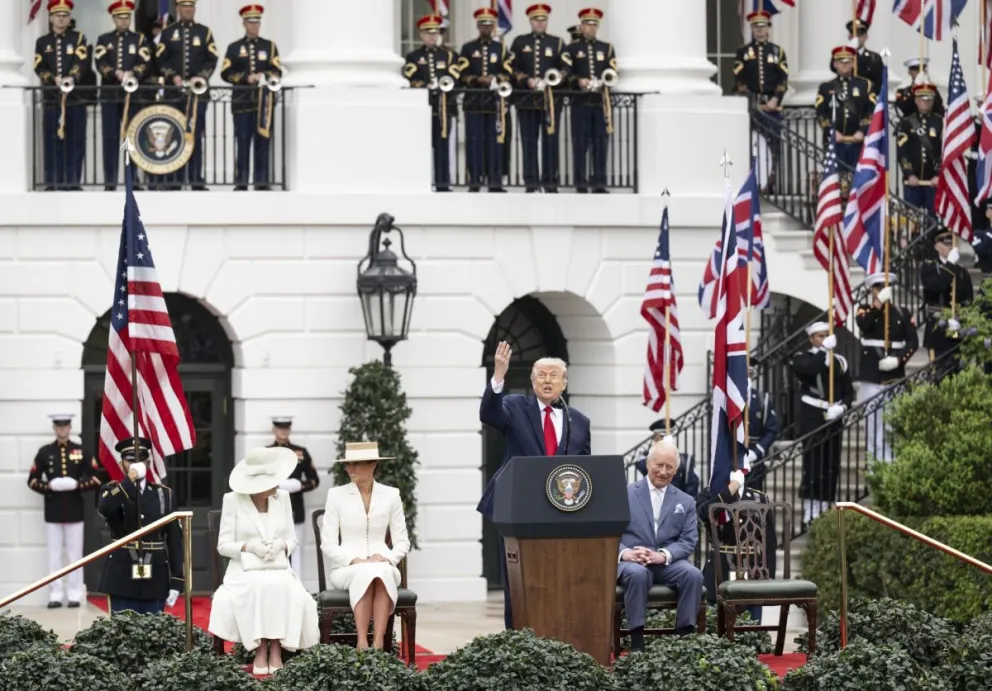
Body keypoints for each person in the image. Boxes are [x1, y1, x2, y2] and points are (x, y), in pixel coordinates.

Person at [478, 341, 592, 630]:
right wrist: (498, 376)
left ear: (564, 383)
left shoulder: (578, 420)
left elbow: (585, 468)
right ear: (532, 382)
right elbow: (489, 415)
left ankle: (557, 630)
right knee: (520, 577)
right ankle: (517, 636)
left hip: (562, 512)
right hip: (519, 507)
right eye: (541, 375)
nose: (547, 380)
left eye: (554, 375)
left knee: (557, 577)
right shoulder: (516, 406)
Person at [209, 446, 319, 675]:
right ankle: (260, 650)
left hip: (278, 567)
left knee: (285, 587)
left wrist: (282, 545)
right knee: (260, 587)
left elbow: (292, 539)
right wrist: (249, 547)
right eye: (272, 480)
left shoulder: (284, 498)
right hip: (244, 571)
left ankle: (276, 648)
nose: (278, 483)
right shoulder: (232, 500)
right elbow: (223, 546)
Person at [321, 442, 410, 651]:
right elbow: (328, 543)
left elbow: (403, 541)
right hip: (345, 568)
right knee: (366, 571)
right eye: (347, 464)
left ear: (373, 465)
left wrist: (388, 558)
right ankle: (362, 642)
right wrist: (352, 560)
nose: (349, 469)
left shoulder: (391, 495)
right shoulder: (336, 495)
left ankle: (378, 643)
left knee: (380, 571)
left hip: (384, 564)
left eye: (355, 464)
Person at [617, 439, 704, 652]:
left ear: (676, 471)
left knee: (693, 575)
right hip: (633, 562)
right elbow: (608, 534)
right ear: (648, 464)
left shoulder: (686, 501)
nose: (664, 472)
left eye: (670, 467)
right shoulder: (624, 494)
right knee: (637, 575)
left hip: (667, 564)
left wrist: (663, 555)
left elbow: (688, 540)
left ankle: (682, 642)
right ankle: (637, 642)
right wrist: (626, 553)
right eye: (659, 465)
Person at [97, 438, 184, 614]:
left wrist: (177, 580)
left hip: (155, 576)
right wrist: (130, 480)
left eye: (141, 458)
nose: (136, 464)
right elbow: (105, 508)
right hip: (121, 575)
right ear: (122, 464)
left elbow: (174, 539)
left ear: (149, 462)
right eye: (130, 460)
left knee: (153, 634)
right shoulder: (112, 490)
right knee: (122, 635)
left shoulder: (164, 494)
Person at [27, 413, 103, 608]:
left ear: (70, 428)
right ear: (54, 428)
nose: (62, 429)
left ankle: (75, 594)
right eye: (59, 426)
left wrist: (77, 485)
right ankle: (55, 594)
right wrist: (50, 487)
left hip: (74, 510)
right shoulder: (45, 452)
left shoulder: (80, 450)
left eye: (65, 426)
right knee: (53, 554)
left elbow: (95, 478)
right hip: (53, 511)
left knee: (74, 554)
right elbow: (32, 480)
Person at [792, 322, 854, 525]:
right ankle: (810, 510)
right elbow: (811, 369)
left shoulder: (840, 361)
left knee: (830, 463)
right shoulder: (802, 358)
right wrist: (823, 352)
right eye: (820, 336)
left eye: (827, 335)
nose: (824, 338)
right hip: (812, 414)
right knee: (813, 464)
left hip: (833, 414)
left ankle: (826, 508)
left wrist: (843, 407)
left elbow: (847, 390)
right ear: (811, 339)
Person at [697, 466, 776, 624]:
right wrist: (728, 491)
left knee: (752, 629)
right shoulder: (709, 495)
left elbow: (769, 542)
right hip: (719, 570)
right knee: (716, 627)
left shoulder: (758, 498)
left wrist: (768, 575)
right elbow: (705, 513)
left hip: (751, 571)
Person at [855, 272, 918, 462]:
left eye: (886, 286)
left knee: (891, 424)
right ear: (872, 290)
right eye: (878, 287)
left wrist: (899, 360)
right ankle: (875, 466)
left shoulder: (901, 312)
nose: (882, 290)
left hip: (894, 374)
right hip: (872, 374)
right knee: (873, 425)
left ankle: (890, 465)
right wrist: (877, 304)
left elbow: (913, 342)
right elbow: (864, 324)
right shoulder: (865, 309)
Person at [509, 3, 571, 193]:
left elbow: (568, 68)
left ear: (547, 21)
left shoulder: (558, 43)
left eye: (543, 19)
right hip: (526, 100)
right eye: (536, 19)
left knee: (550, 141)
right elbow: (511, 67)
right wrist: (526, 80)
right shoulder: (519, 42)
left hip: (551, 101)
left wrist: (555, 79)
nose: (540, 23)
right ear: (531, 21)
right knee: (528, 141)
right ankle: (531, 182)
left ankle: (550, 181)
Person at [156, 0, 217, 189]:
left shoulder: (204, 32)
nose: (188, 9)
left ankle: (195, 178)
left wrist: (200, 77)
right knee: (175, 136)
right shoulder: (167, 32)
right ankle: (175, 179)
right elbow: (159, 59)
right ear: (178, 9)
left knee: (195, 135)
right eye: (184, 6)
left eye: (191, 6)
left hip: (197, 95)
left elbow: (212, 58)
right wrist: (173, 76)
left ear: (194, 9)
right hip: (174, 95)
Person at [220, 4, 281, 191]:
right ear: (244, 24)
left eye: (257, 22)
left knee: (263, 143)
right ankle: (242, 182)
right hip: (242, 103)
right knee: (243, 142)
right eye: (251, 23)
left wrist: (267, 76)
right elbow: (225, 72)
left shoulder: (269, 47)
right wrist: (246, 78)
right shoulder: (234, 48)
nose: (254, 26)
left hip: (263, 104)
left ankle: (261, 181)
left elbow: (277, 70)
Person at [95, 0, 152, 191]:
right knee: (110, 138)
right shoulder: (104, 40)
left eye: (127, 17)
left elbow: (145, 61)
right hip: (111, 95)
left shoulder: (139, 39)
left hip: (133, 96)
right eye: (120, 17)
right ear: (114, 18)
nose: (124, 20)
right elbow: (100, 62)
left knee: (132, 138)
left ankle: (132, 179)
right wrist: (115, 73)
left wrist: (133, 73)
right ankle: (110, 181)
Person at [34, 0, 90, 191]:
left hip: (75, 101)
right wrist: (52, 79)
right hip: (52, 100)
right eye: (58, 15)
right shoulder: (42, 42)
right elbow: (38, 66)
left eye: (65, 15)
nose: (61, 19)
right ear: (51, 18)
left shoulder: (78, 38)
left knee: (75, 142)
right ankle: (53, 181)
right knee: (52, 142)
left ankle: (72, 181)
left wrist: (70, 77)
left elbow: (81, 61)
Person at [403, 14, 460, 192]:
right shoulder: (413, 56)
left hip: (444, 109)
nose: (431, 37)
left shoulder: (449, 56)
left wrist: (443, 83)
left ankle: (443, 183)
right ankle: (421, 182)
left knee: (443, 147)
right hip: (424, 109)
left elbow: (456, 77)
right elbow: (411, 78)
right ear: (421, 34)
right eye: (428, 33)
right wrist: (427, 86)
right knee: (422, 147)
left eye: (434, 33)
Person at [457, 8, 511, 193]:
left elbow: (509, 72)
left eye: (489, 24)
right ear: (478, 26)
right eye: (483, 24)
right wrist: (478, 79)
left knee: (495, 143)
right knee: (474, 142)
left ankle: (495, 180)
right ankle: (475, 179)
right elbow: (461, 74)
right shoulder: (468, 48)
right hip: (474, 102)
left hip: (495, 103)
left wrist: (496, 79)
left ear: (493, 26)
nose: (486, 28)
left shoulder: (501, 48)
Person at [733, 10, 788, 191]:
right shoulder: (743, 52)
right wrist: (750, 100)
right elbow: (739, 79)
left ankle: (769, 184)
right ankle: (751, 182)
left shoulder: (777, 52)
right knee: (751, 144)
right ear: (751, 28)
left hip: (771, 107)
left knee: (772, 144)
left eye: (762, 26)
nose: (759, 30)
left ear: (768, 28)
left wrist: (775, 100)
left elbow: (783, 79)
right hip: (752, 106)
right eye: (756, 27)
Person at [566, 7, 618, 194]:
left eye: (594, 24)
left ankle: (599, 182)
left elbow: (613, 70)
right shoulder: (572, 49)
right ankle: (581, 182)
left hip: (600, 103)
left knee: (600, 143)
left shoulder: (606, 48)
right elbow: (567, 74)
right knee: (580, 144)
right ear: (581, 25)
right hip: (580, 103)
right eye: (588, 24)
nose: (591, 27)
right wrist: (578, 81)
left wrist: (604, 81)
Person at [266, 416, 319, 578]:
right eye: (280, 428)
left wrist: (298, 485)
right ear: (274, 430)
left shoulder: (300, 452)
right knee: (272, 550)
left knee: (296, 552)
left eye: (286, 428)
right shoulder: (267, 452)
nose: (283, 431)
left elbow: (314, 480)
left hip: (295, 508)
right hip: (272, 509)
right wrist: (276, 486)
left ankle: (297, 587)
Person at [921, 228, 973, 368]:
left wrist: (961, 321)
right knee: (939, 375)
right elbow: (938, 286)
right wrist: (950, 264)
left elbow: (968, 302)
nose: (950, 246)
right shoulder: (928, 268)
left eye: (952, 243)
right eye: (946, 243)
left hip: (958, 331)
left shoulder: (962, 272)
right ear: (937, 246)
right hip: (937, 331)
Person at [816, 46, 874, 170]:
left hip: (859, 142)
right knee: (836, 180)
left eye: (847, 61)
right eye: (840, 62)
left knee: (857, 178)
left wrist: (862, 130)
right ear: (835, 64)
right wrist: (832, 132)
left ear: (853, 63)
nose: (844, 65)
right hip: (835, 142)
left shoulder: (865, 85)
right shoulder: (825, 87)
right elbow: (821, 114)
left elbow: (871, 111)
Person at [897, 83, 942, 213]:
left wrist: (938, 175)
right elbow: (902, 152)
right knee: (912, 222)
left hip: (933, 182)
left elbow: (943, 151)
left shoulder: (939, 122)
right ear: (916, 101)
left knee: (933, 220)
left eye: (929, 100)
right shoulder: (906, 122)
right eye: (922, 99)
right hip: (912, 182)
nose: (926, 103)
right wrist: (909, 174)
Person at [634, 428, 699, 499]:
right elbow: (640, 464)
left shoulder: (685, 459)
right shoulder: (647, 457)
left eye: (656, 438)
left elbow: (692, 486)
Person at [742, 367, 779, 491]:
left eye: (749, 376)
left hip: (755, 457)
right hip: (734, 457)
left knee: (753, 499)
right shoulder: (729, 399)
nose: (746, 379)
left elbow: (772, 430)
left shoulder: (762, 398)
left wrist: (756, 451)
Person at [828, 19, 883, 95]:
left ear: (866, 37)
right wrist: (849, 50)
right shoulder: (841, 54)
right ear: (849, 36)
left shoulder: (874, 58)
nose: (857, 37)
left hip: (866, 97)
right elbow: (833, 67)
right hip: (846, 95)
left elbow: (878, 83)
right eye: (854, 34)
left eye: (860, 34)